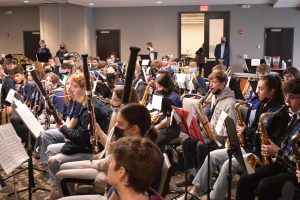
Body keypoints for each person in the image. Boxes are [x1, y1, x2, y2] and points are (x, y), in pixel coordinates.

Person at [180, 75, 290, 200]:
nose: (256, 91)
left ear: (272, 91)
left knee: (229, 164)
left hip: (260, 155)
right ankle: (196, 190)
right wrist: (243, 132)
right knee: (213, 156)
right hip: (249, 148)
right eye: (257, 88)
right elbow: (255, 130)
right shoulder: (262, 105)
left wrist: (246, 131)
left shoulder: (279, 113)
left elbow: (270, 140)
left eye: (261, 89)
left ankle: (213, 197)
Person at [55, 103, 159, 198]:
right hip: (112, 190)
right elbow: (117, 192)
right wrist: (99, 132)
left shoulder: (137, 153)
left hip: (106, 180)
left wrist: (94, 163)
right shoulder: (133, 145)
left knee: (62, 176)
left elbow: (107, 162)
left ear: (135, 129)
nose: (116, 126)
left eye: (120, 123)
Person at [44, 72, 110, 200]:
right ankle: (57, 188)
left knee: (53, 160)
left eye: (74, 86)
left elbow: (80, 139)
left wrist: (63, 129)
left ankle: (65, 193)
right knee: (51, 148)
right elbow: (80, 136)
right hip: (84, 145)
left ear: (84, 89)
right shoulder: (84, 103)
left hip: (91, 150)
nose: (71, 89)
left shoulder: (90, 108)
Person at [236, 77, 300, 200]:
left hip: (293, 171)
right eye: (286, 96)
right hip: (281, 163)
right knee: (246, 177)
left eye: (291, 97)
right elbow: (284, 145)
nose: (287, 101)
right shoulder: (294, 117)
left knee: (265, 186)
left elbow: (296, 159)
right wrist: (276, 152)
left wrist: (277, 152)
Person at [176, 70, 236, 187]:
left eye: (214, 82)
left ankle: (204, 182)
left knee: (201, 145)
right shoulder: (218, 97)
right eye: (210, 82)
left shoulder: (229, 102)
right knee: (187, 141)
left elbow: (228, 129)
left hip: (222, 139)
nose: (211, 85)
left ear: (222, 84)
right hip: (212, 134)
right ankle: (193, 175)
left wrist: (210, 129)